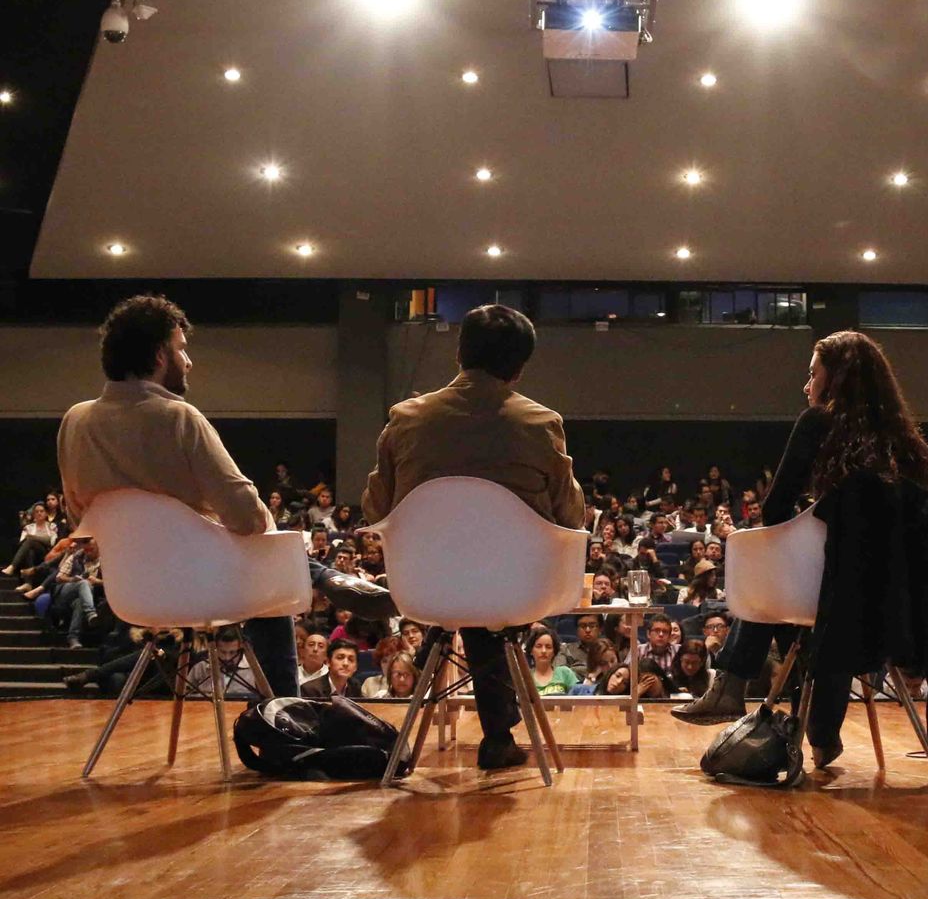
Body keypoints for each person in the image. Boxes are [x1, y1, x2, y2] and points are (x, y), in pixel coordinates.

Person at [57, 296, 391, 698]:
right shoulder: (179, 418)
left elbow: (80, 516)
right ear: (161, 354)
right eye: (182, 348)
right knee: (272, 573)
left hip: (128, 591)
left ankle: (323, 577)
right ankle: (286, 718)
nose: (189, 360)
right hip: (204, 585)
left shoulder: (75, 422)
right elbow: (248, 518)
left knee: (268, 563)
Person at [674, 331, 928, 772]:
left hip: (840, 597)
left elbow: (773, 510)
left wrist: (813, 520)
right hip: (900, 602)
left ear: (836, 381)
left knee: (781, 568)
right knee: (823, 595)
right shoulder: (907, 443)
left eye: (812, 375)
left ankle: (733, 681)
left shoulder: (818, 423)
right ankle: (820, 734)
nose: (806, 386)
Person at [361, 304, 585, 771]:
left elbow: (375, 510)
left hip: (425, 586)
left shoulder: (406, 418)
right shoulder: (540, 424)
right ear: (520, 368)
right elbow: (571, 515)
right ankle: (498, 730)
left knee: (470, 599)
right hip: (514, 591)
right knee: (490, 612)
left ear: (459, 353)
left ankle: (446, 665)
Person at [187, 627, 260, 700]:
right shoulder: (201, 667)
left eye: (232, 652)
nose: (227, 658)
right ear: (215, 649)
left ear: (240, 649)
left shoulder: (254, 669)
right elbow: (185, 695)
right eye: (223, 652)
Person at [526, 626, 580, 696]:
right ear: (531, 650)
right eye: (538, 646)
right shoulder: (525, 677)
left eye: (548, 647)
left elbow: (578, 700)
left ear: (554, 651)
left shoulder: (565, 673)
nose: (543, 651)